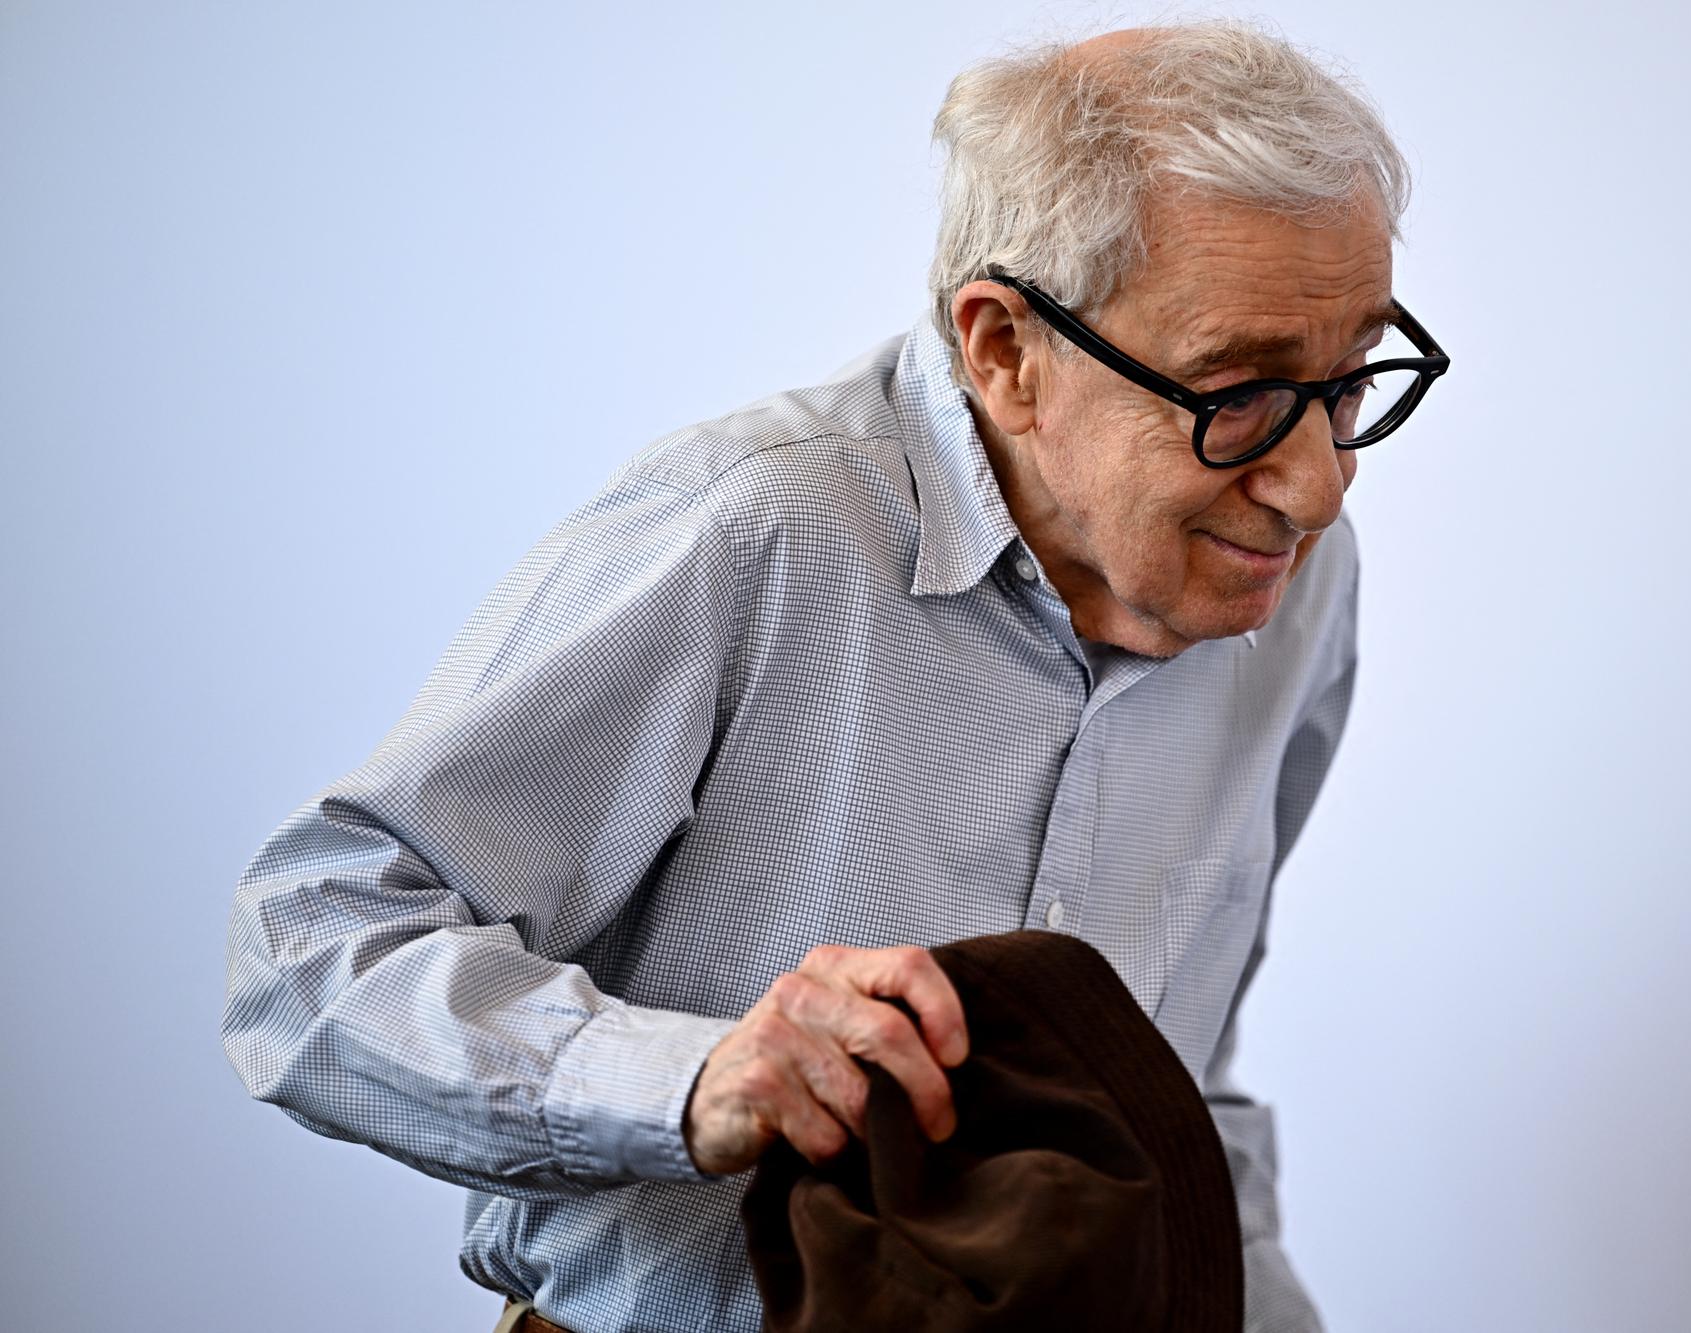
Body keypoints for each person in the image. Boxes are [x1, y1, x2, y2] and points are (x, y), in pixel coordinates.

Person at [219, 19, 1447, 1333]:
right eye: (1242, 392)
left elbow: (1183, 1083)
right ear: (1004, 350)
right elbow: (305, 949)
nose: (1317, 481)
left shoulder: (1298, 578)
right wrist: (696, 1082)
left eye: (1351, 376)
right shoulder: (747, 529)